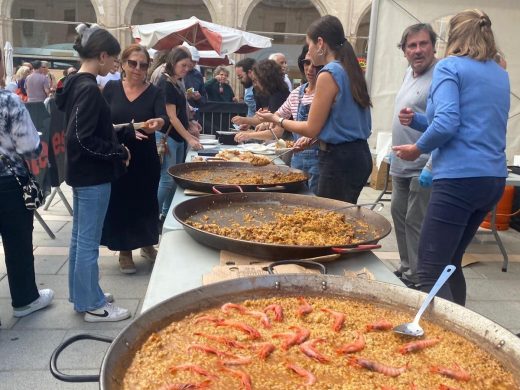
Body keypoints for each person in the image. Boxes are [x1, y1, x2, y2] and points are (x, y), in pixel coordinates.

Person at [393, 9, 510, 306]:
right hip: (492, 178)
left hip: (459, 179)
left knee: (429, 271)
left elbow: (447, 124)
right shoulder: (499, 72)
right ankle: (461, 328)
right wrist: (417, 122)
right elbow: (468, 122)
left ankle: (445, 343)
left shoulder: (450, 67)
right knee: (450, 263)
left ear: (453, 36)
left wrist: (417, 148)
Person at [55, 23, 132, 322]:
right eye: (114, 59)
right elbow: (80, 138)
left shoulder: (76, 84)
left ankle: (82, 294)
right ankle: (93, 304)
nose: (116, 64)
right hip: (92, 176)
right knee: (87, 241)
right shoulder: (88, 88)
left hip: (83, 174)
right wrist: (118, 152)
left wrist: (123, 131)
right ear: (101, 56)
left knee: (79, 239)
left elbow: (84, 130)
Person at [257, 15, 372, 204]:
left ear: (320, 43)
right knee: (343, 218)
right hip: (359, 155)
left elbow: (311, 127)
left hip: (339, 160)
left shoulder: (329, 73)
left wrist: (277, 119)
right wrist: (313, 140)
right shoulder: (350, 70)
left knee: (331, 224)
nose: (308, 51)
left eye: (308, 44)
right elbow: (343, 123)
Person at [100, 44, 167, 274]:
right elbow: (100, 121)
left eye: (143, 65)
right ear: (123, 64)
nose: (138, 69)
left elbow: (161, 117)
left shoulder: (155, 91)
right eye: (133, 63)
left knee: (146, 202)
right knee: (120, 202)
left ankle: (147, 245)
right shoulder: (110, 88)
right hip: (118, 155)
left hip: (145, 157)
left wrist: (157, 123)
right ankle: (124, 251)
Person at [0, 49, 54, 319]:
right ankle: (24, 300)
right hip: (8, 183)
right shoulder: (8, 101)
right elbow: (30, 146)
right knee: (17, 242)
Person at [390, 23, 438, 289]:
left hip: (423, 163)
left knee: (415, 221)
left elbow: (444, 122)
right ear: (404, 51)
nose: (418, 50)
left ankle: (420, 279)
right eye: (412, 45)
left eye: (423, 44)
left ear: (433, 46)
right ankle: (407, 268)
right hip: (400, 161)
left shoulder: (441, 74)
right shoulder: (409, 72)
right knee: (398, 215)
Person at [236, 46, 320, 193]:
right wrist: (266, 119)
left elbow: (279, 128)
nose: (310, 69)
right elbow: (276, 117)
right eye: (307, 63)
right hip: (297, 157)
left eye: (316, 65)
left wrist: (253, 130)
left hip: (317, 159)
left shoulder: (324, 94)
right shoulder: (295, 93)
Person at [156, 47, 203, 222]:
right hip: (167, 137)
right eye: (183, 65)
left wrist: (190, 124)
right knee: (167, 180)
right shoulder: (166, 83)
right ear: (173, 63)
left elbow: (181, 113)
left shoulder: (176, 82)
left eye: (188, 66)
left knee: (173, 179)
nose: (186, 69)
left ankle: (166, 214)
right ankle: (153, 217)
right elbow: (172, 117)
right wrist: (189, 137)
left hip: (176, 137)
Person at [232, 59, 289, 132]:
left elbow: (276, 128)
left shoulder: (278, 95)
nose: (255, 84)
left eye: (256, 80)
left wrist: (246, 123)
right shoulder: (275, 93)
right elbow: (268, 118)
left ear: (265, 78)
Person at [183, 44, 207, 111]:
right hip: (179, 112)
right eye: (191, 60)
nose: (192, 64)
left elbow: (204, 98)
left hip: (194, 112)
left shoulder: (198, 75)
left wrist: (199, 98)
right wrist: (186, 96)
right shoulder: (177, 72)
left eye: (195, 62)